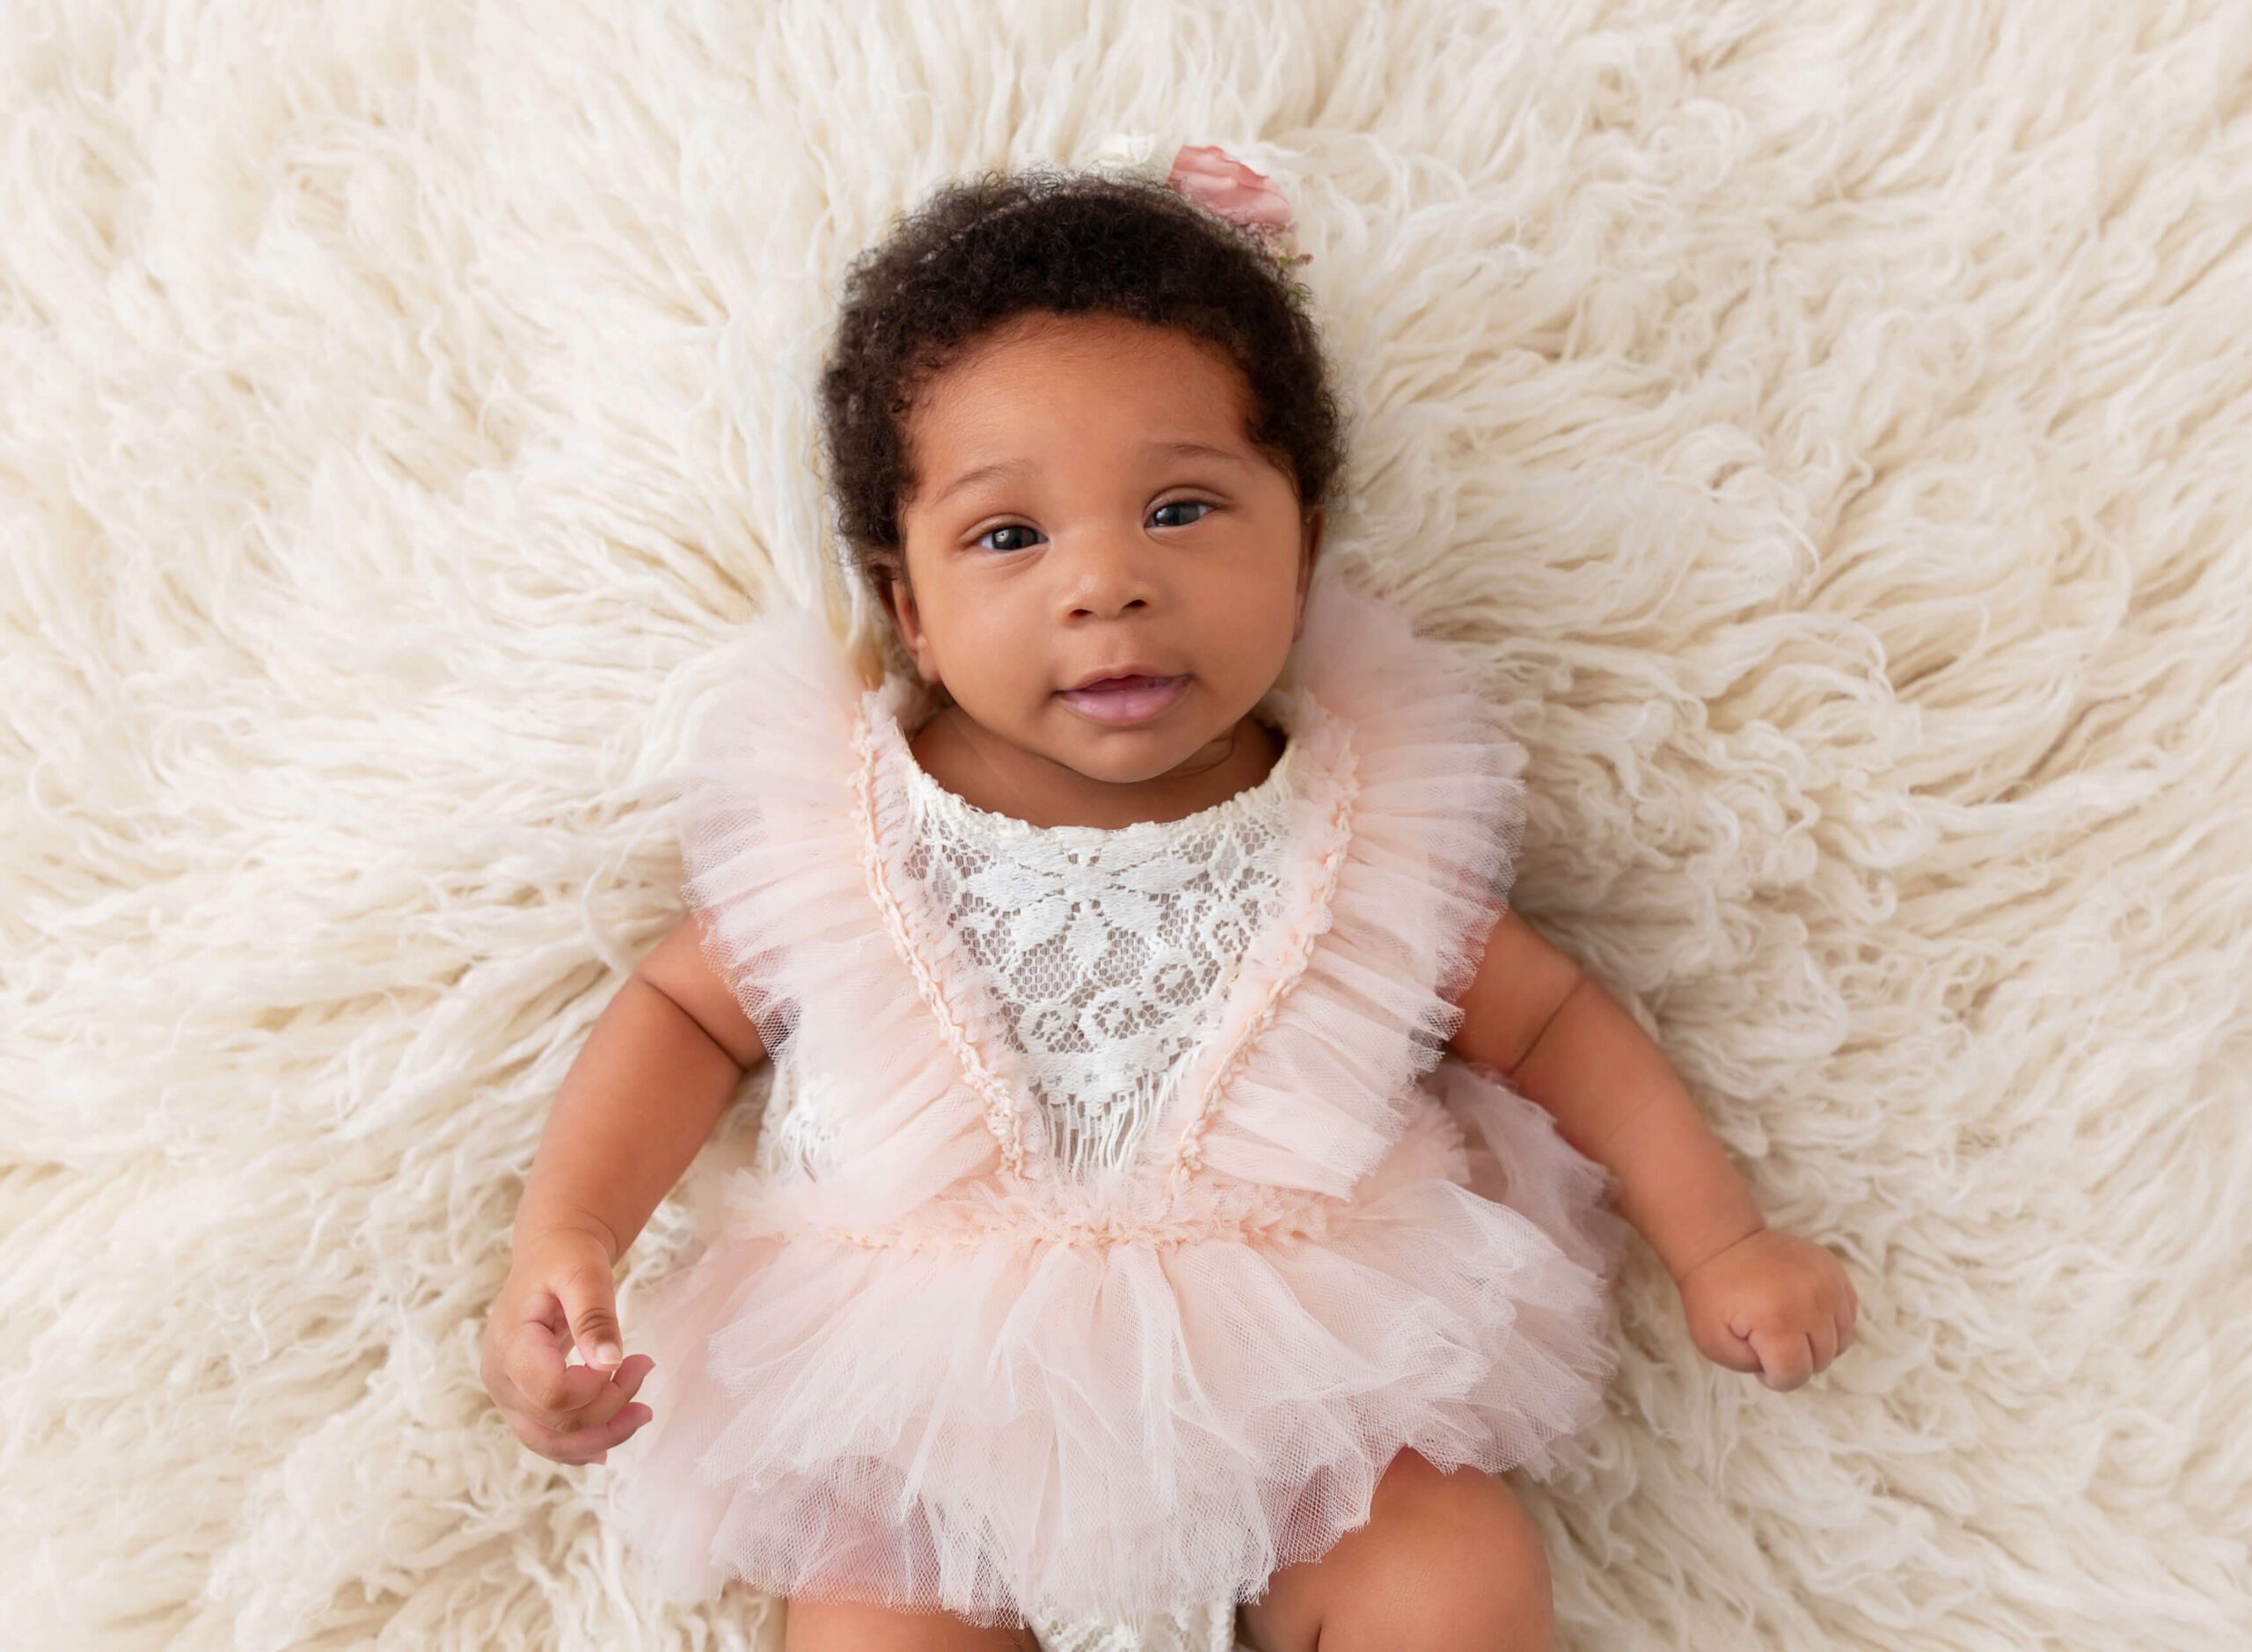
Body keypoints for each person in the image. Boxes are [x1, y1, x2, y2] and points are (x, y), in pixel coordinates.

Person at [480, 139, 1861, 1652]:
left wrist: (1718, 1236)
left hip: (1306, 1380)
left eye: (1183, 510)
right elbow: (686, 1007)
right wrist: (574, 1233)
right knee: (878, 1622)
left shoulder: (1356, 824)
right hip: (927, 1396)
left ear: (1307, 547)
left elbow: (1550, 1022)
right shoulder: (850, 833)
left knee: (1447, 1581)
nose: (1106, 584)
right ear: (909, 611)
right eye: (1010, 536)